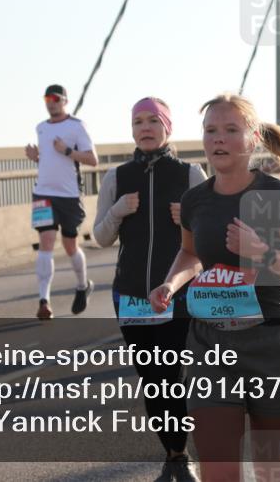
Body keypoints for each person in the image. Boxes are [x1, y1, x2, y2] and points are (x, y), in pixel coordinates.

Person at [149, 93, 280, 482]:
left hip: (272, 344)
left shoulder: (274, 196)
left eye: (231, 130)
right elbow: (190, 253)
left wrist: (264, 253)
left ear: (253, 139)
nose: (218, 138)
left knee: (271, 474)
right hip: (210, 346)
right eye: (211, 130)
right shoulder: (195, 200)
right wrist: (170, 283)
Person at [92, 97, 204, 481]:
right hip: (131, 294)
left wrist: (187, 218)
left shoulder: (190, 174)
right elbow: (101, 237)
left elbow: (210, 235)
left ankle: (181, 454)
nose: (145, 127)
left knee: (172, 375)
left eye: (153, 120)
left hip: (177, 293)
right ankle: (173, 453)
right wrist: (118, 210)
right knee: (151, 379)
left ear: (167, 127)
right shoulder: (116, 177)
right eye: (138, 121)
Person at [24, 84, 98, 320]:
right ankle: (43, 301)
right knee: (45, 242)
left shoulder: (77, 126)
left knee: (69, 245)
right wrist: (36, 157)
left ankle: (82, 285)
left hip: (69, 195)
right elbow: (48, 162)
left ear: (65, 101)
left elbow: (93, 160)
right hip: (43, 194)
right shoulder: (41, 128)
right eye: (47, 98)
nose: (51, 103)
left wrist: (67, 151)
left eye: (55, 98)